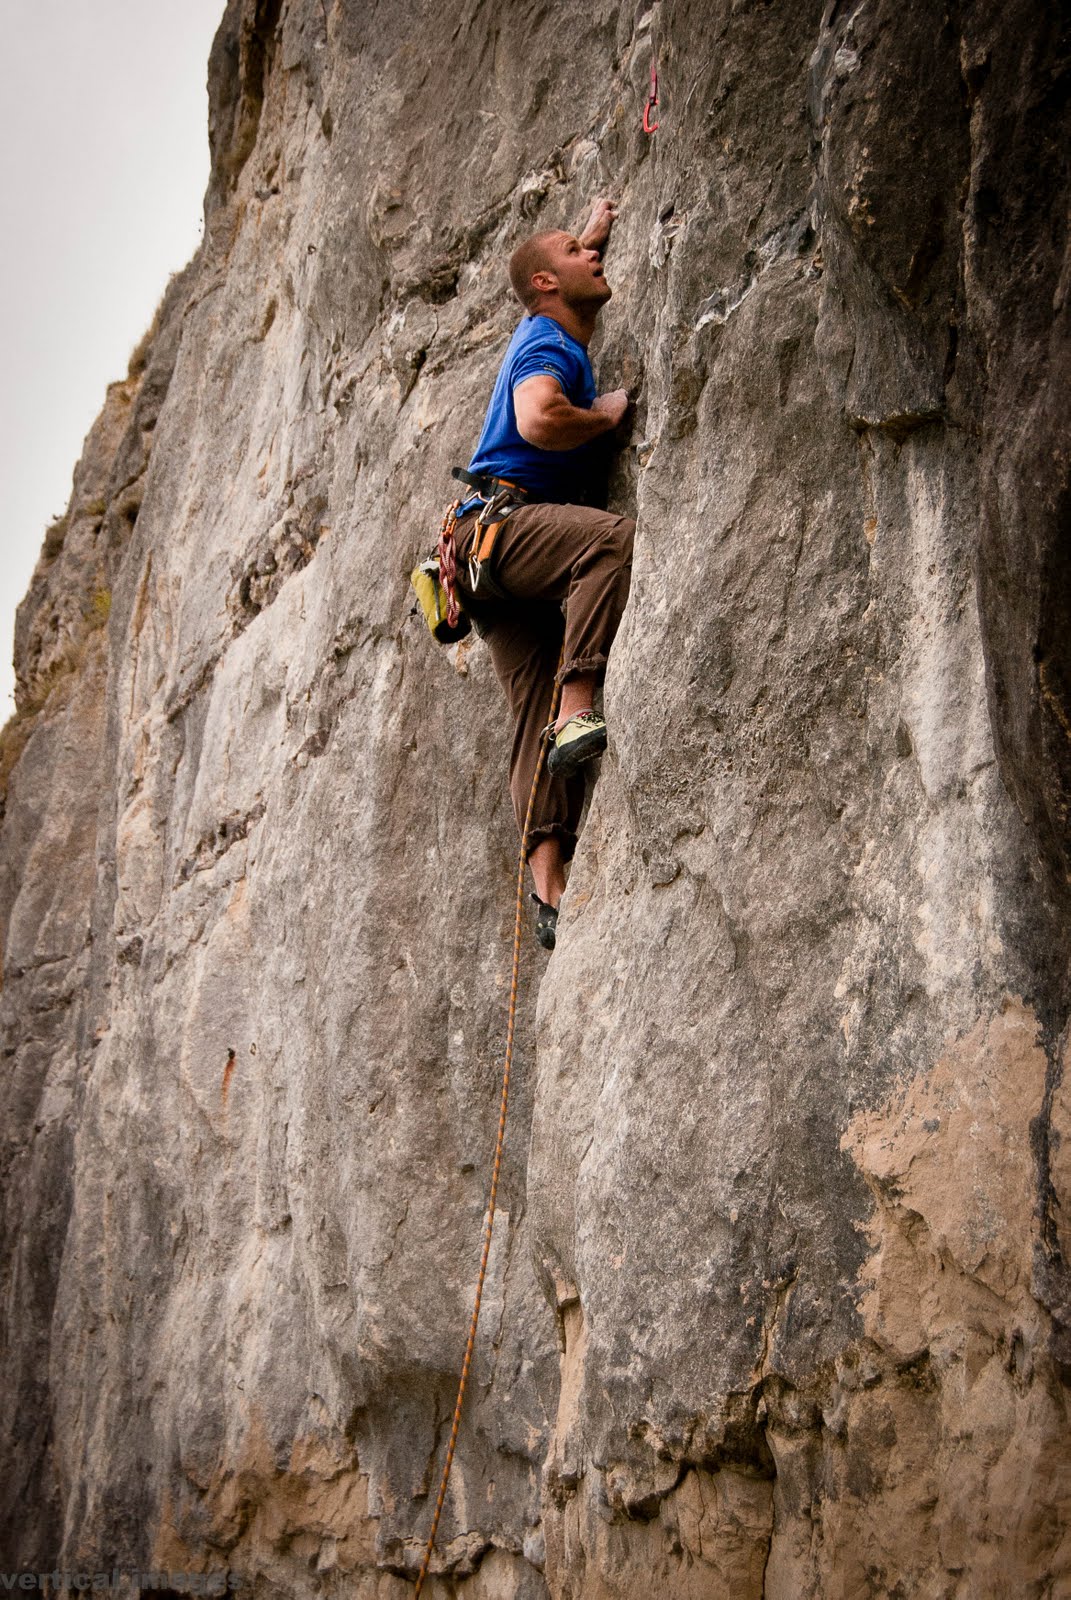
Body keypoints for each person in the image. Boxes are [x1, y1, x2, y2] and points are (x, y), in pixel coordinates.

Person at [447, 199, 635, 949]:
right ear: (546, 284)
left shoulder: (546, 315)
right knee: (605, 543)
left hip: (480, 559)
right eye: (578, 253)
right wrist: (606, 416)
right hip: (509, 526)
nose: (593, 256)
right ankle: (578, 701)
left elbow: (549, 273)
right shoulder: (548, 341)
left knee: (529, 711)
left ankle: (547, 884)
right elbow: (537, 420)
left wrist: (579, 243)